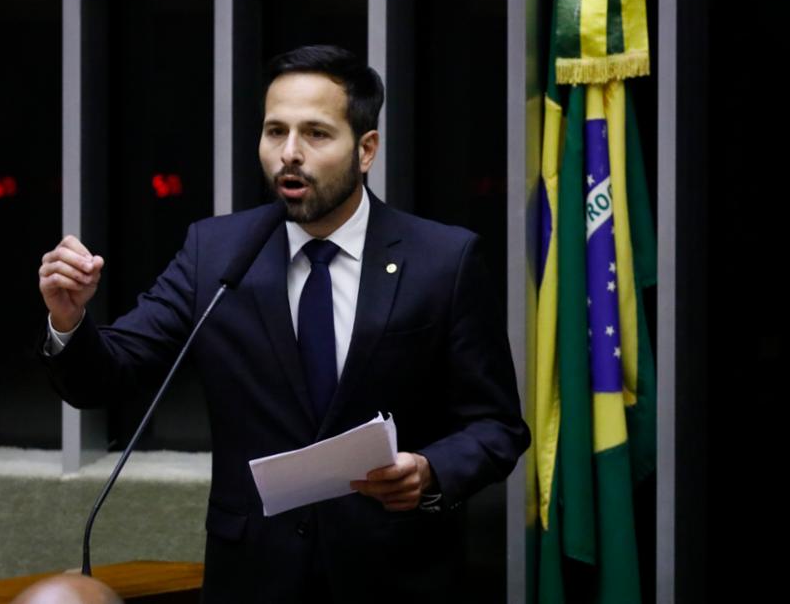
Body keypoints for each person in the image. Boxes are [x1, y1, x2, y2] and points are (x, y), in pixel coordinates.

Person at [38, 45, 530, 602]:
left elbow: (497, 428)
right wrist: (69, 318)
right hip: (254, 576)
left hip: (395, 573)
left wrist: (429, 470)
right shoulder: (217, 253)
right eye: (275, 132)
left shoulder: (443, 260)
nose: (288, 154)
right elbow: (107, 376)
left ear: (365, 149)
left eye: (316, 134)